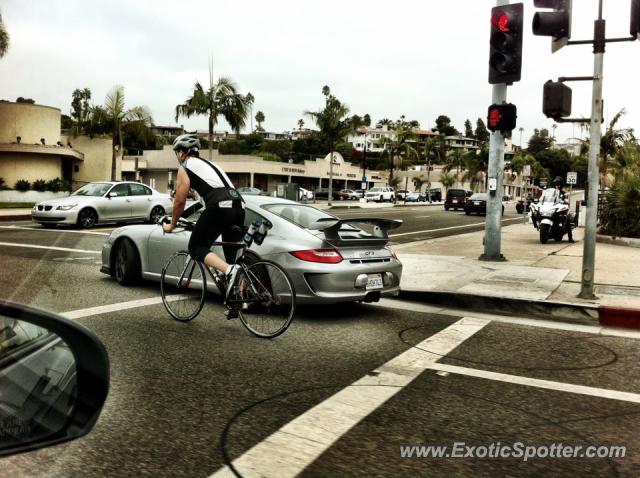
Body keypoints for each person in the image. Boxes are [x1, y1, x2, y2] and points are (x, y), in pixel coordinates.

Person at [162, 134, 245, 296]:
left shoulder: (185, 166)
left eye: (177, 152)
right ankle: (240, 298)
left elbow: (179, 201)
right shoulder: (211, 165)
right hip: (239, 207)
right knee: (232, 260)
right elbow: (204, 198)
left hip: (220, 208)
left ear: (182, 152)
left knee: (196, 247)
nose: (178, 156)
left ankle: (229, 270)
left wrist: (172, 224)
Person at [552, 176, 575, 243]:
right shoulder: (552, 193)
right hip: (553, 209)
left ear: (561, 185)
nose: (557, 186)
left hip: (561, 210)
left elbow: (566, 201)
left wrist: (566, 201)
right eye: (556, 184)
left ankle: (570, 238)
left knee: (567, 220)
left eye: (558, 184)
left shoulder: (563, 193)